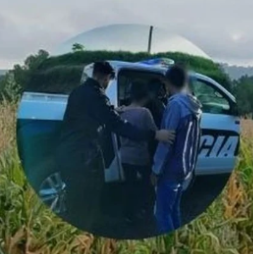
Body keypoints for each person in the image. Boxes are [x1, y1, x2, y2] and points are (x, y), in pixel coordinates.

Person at [56, 61, 175, 232]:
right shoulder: (97, 95)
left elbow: (96, 114)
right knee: (85, 205)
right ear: (106, 78)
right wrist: (154, 134)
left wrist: (114, 110)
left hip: (67, 152)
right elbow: (117, 125)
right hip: (83, 157)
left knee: (74, 200)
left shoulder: (78, 92)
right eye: (109, 80)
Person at [152, 65, 202, 234]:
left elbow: (166, 141)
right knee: (174, 209)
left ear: (168, 82)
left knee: (162, 213)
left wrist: (156, 170)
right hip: (185, 166)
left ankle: (168, 246)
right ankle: (178, 242)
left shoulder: (175, 106)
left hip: (170, 168)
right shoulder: (194, 106)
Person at [118, 81, 157, 224]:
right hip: (140, 155)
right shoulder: (144, 112)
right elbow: (154, 132)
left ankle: (127, 214)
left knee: (129, 184)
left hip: (124, 155)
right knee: (145, 185)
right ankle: (143, 211)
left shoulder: (121, 112)